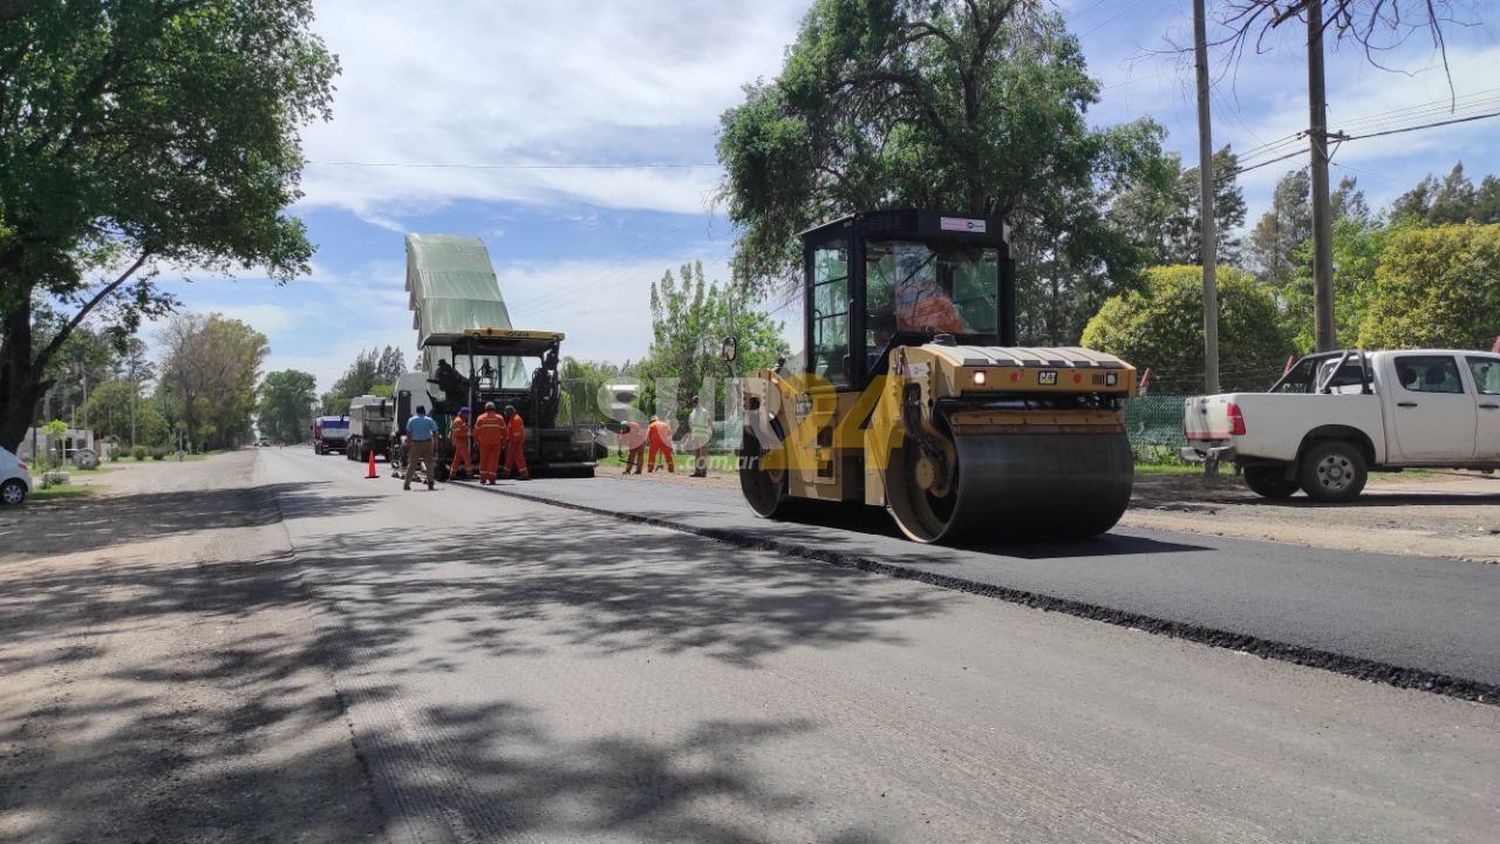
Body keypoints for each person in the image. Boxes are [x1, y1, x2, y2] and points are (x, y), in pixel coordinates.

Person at [403, 405, 438, 491]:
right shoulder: (429, 420)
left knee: (412, 464)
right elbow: (434, 431)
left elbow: (409, 434)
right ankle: (430, 484)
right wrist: (435, 443)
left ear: (417, 411)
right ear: (424, 411)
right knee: (429, 464)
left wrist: (408, 445)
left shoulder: (411, 420)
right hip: (427, 443)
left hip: (415, 444)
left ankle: (406, 484)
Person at [473, 402, 506, 485]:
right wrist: (504, 442)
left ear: (485, 408)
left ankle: (483, 479)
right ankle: (492, 479)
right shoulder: (499, 418)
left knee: (484, 460)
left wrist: (475, 441)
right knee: (494, 460)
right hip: (496, 443)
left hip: (484, 443)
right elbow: (504, 432)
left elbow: (476, 432)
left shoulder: (481, 418)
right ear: (494, 408)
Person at [501, 404, 530, 480]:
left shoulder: (516, 419)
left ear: (510, 412)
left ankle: (524, 474)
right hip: (513, 443)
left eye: (507, 413)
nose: (506, 415)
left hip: (515, 443)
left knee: (519, 459)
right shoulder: (513, 419)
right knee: (509, 458)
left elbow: (517, 434)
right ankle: (505, 473)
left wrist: (514, 443)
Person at [688, 395, 712, 478]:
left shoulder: (704, 411)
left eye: (696, 401)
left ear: (699, 402)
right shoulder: (692, 413)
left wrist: (710, 433)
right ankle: (697, 471)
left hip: (703, 436)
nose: (695, 403)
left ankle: (703, 472)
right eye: (694, 402)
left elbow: (709, 423)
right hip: (695, 436)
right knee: (697, 455)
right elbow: (691, 425)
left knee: (703, 455)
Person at [448, 406, 474, 480]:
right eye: (467, 414)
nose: (468, 415)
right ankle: (469, 474)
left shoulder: (460, 420)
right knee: (467, 458)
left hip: (460, 442)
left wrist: (467, 429)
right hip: (460, 442)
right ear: (463, 413)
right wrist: (468, 434)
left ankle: (452, 474)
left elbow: (461, 430)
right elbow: (457, 433)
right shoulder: (458, 421)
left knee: (457, 459)